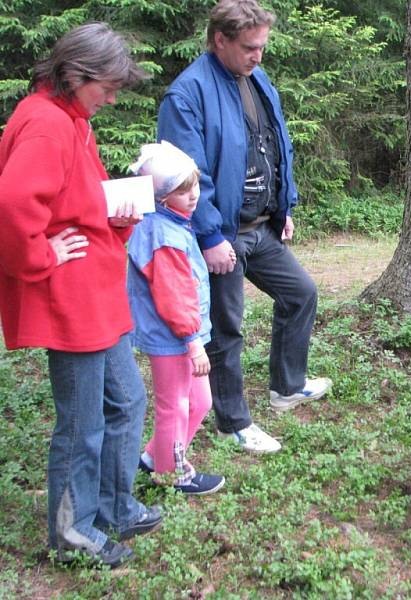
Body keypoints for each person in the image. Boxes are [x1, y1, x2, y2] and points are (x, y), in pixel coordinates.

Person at [0, 23, 162, 568]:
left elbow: (75, 200)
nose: (113, 98)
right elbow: (13, 207)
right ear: (75, 74)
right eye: (108, 87)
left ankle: (112, 506)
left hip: (99, 297)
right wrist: (44, 255)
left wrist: (110, 214)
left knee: (127, 401)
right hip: (71, 303)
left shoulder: (72, 119)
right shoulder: (46, 124)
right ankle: (73, 534)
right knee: (81, 424)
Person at [157, 0, 332, 454]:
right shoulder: (187, 94)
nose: (260, 56)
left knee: (301, 293)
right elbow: (188, 174)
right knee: (226, 326)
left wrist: (284, 204)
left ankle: (287, 387)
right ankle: (233, 421)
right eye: (251, 47)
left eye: (263, 47)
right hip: (223, 234)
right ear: (220, 40)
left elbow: (276, 144)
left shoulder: (257, 79)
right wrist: (211, 236)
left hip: (262, 226)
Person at [127, 142, 225, 495]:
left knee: (200, 402)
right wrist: (192, 343)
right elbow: (174, 295)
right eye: (181, 191)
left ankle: (156, 457)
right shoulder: (163, 235)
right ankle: (171, 474)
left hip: (185, 335)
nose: (193, 196)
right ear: (161, 197)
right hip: (173, 337)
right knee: (175, 405)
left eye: (195, 186)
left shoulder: (174, 223)